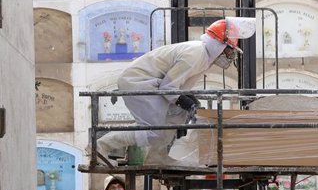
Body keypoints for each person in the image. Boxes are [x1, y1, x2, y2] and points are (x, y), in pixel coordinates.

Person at [96, 18, 252, 164]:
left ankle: (157, 157)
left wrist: (190, 102)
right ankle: (101, 146)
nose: (230, 55)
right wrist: (189, 104)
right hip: (139, 82)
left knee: (177, 113)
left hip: (150, 82)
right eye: (229, 50)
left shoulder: (203, 57)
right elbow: (168, 87)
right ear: (218, 45)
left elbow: (178, 86)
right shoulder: (196, 54)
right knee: (154, 132)